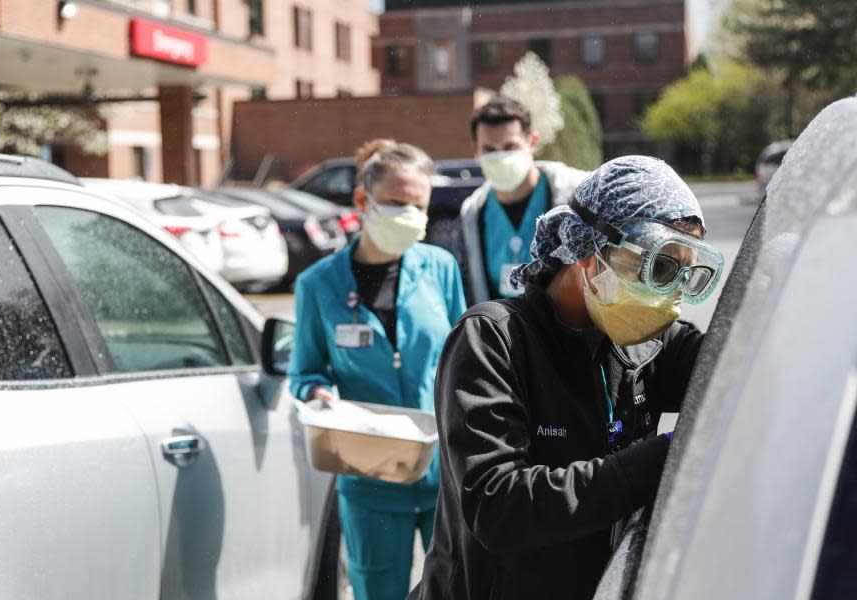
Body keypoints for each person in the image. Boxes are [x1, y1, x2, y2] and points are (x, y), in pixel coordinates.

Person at [412, 156, 724, 600]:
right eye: (658, 268)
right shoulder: (492, 339)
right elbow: (498, 506)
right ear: (591, 252)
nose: (671, 296)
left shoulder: (647, 342)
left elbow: (740, 368)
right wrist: (665, 456)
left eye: (684, 275)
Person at [289, 139, 467, 600]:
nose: (409, 214)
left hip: (443, 472)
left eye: (418, 205)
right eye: (395, 203)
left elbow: (465, 360)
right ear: (363, 200)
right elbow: (305, 373)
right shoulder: (318, 284)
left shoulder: (440, 268)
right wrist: (318, 395)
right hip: (369, 477)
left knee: (454, 588)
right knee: (377, 591)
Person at [461, 95, 590, 305]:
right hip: (503, 332)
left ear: (532, 142)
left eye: (510, 147)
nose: (500, 157)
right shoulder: (473, 212)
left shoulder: (575, 192)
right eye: (490, 150)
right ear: (476, 150)